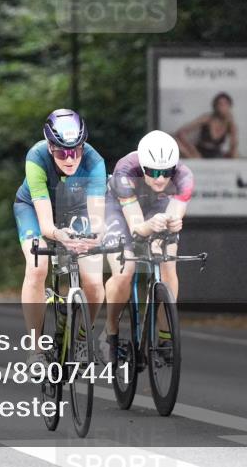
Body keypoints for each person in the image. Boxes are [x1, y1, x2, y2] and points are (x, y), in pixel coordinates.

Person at [14, 109, 106, 366]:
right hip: (34, 209)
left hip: (76, 210)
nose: (69, 158)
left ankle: (81, 337)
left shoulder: (94, 161)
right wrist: (58, 235)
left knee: (95, 283)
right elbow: (45, 223)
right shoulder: (36, 157)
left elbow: (97, 216)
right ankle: (35, 350)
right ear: (50, 146)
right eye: (61, 152)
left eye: (75, 150)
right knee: (37, 266)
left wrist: (96, 236)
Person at [101, 130, 193, 363]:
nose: (160, 179)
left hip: (156, 205)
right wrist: (149, 227)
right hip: (119, 210)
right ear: (143, 167)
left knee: (167, 265)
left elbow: (174, 217)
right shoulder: (125, 169)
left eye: (166, 172)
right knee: (124, 271)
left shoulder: (184, 176)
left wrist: (168, 227)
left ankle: (164, 336)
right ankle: (109, 333)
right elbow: (136, 228)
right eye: (153, 172)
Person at [175, 92, 238, 158]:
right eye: (220, 104)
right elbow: (181, 132)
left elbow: (234, 146)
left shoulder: (230, 123)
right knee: (176, 142)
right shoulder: (207, 118)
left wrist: (232, 124)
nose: (222, 107)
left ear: (229, 106)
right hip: (200, 151)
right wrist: (193, 150)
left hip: (216, 153)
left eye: (225, 104)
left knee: (236, 154)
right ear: (215, 106)